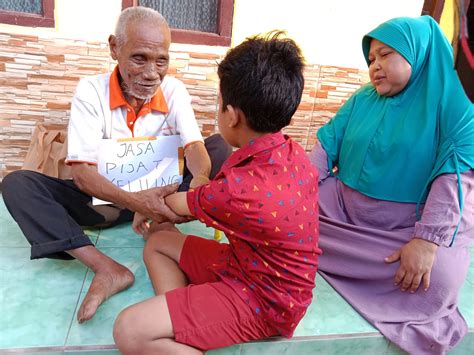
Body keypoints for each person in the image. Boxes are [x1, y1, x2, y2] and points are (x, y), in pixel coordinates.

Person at [1, 7, 231, 324]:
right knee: (18, 185)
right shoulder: (90, 91)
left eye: (161, 60)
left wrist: (201, 177)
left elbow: (193, 147)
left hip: (162, 196)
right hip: (106, 202)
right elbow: (82, 174)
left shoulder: (174, 90)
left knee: (219, 147)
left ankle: (163, 222)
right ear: (114, 48)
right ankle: (107, 268)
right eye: (139, 58)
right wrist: (140, 203)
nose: (152, 73)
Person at [112, 31, 322, 354]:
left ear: (233, 114)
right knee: (158, 242)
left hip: (264, 301)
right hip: (251, 266)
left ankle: (178, 329)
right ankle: (185, 325)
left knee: (129, 330)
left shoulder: (238, 192)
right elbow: (200, 196)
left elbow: (176, 206)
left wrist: (143, 204)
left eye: (219, 102)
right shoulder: (292, 154)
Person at [309, 16, 474, 354]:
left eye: (385, 55)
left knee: (438, 276)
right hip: (343, 211)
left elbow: (453, 180)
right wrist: (301, 191)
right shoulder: (362, 99)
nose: (375, 66)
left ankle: (335, 257)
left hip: (407, 229)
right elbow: (325, 146)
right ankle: (350, 261)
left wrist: (426, 243)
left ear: (418, 52)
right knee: (291, 215)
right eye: (371, 59)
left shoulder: (455, 107)